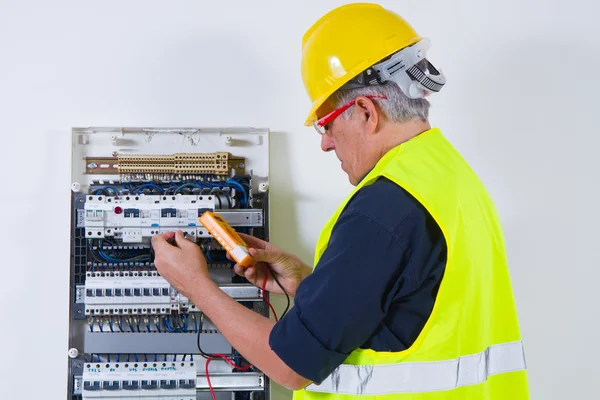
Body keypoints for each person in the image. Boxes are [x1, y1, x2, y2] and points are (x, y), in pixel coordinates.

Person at [152, 3, 530, 399]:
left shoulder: (383, 209)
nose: (325, 143)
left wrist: (195, 284)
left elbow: (290, 364)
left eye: (326, 124)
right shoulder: (452, 177)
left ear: (365, 111)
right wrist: (310, 286)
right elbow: (413, 309)